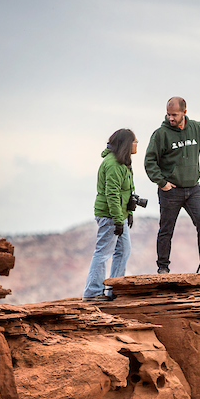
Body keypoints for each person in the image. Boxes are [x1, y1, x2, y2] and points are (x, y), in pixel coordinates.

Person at [144, 96, 200, 274]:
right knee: (166, 229)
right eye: (168, 115)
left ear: (184, 112)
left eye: (174, 115)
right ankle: (163, 268)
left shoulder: (196, 128)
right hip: (171, 190)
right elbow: (149, 161)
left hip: (193, 188)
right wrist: (162, 182)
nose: (170, 118)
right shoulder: (161, 134)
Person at [83, 128, 137, 300]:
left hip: (118, 215)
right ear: (127, 144)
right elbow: (111, 194)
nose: (136, 145)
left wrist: (127, 212)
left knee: (123, 250)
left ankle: (115, 289)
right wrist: (117, 220)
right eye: (135, 141)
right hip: (110, 216)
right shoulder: (113, 164)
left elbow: (124, 191)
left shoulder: (122, 162)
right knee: (103, 252)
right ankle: (92, 292)